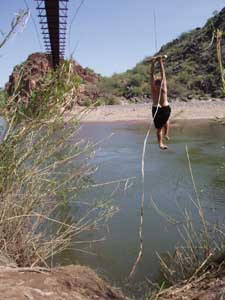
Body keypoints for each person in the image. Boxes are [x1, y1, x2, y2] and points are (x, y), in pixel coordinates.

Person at [150, 56, 171, 150]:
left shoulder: (162, 87)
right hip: (158, 108)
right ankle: (161, 142)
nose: (157, 81)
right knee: (160, 127)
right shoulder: (155, 88)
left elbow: (162, 74)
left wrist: (159, 62)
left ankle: (165, 135)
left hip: (164, 108)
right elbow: (152, 74)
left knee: (165, 122)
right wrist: (155, 62)